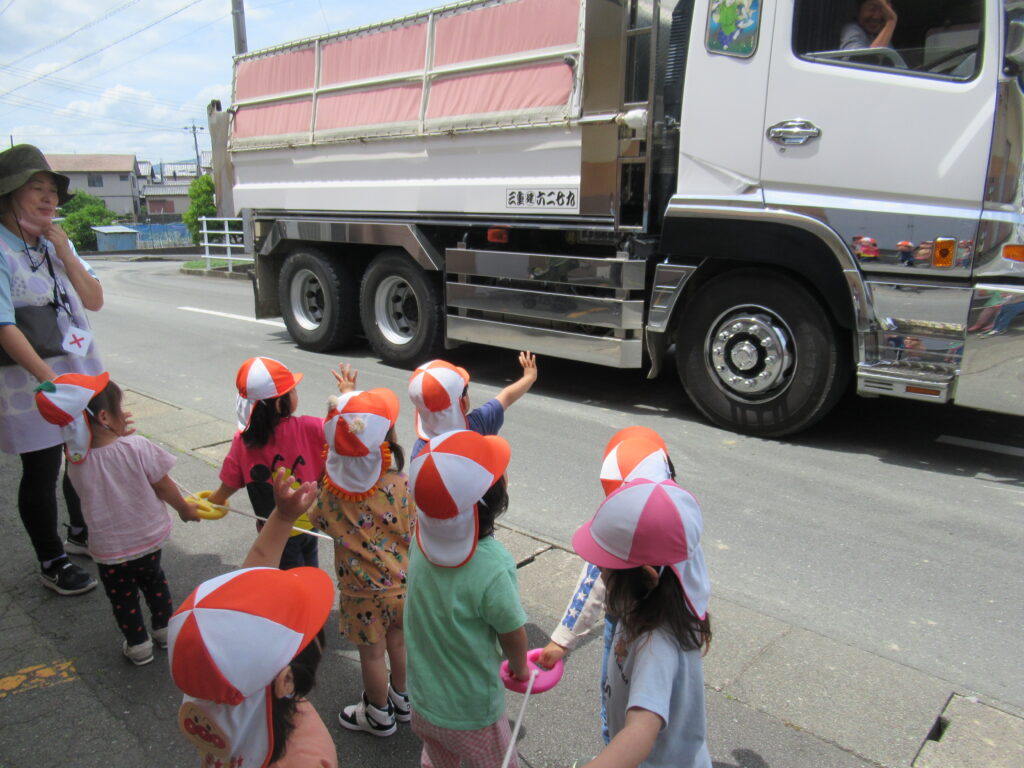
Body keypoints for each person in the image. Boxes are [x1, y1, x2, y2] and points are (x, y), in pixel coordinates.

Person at [170, 468, 338, 768]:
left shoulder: (207, 690)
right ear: (287, 680)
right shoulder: (306, 756)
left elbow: (252, 580)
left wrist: (283, 517)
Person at [34, 373, 200, 665]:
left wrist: (112, 432)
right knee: (154, 582)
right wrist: (184, 509)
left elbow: (98, 459)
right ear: (104, 417)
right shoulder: (137, 447)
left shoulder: (76, 463)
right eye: (120, 409)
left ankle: (138, 646)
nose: (124, 413)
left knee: (123, 597)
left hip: (109, 549)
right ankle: (165, 631)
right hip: (147, 538)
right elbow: (162, 484)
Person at [0, 144, 104, 596]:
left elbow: (94, 300)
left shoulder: (57, 243)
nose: (48, 198)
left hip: (79, 371)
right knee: (42, 468)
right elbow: (3, 325)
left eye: (52, 190)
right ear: (9, 195)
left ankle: (80, 531)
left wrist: (65, 251)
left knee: (83, 453)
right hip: (31, 382)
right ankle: (52, 559)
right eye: (35, 188)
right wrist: (50, 381)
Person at [539, 426, 676, 744]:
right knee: (647, 706)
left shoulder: (620, 527)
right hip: (662, 624)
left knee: (621, 704)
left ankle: (615, 747)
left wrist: (561, 640)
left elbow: (593, 583)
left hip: (632, 625)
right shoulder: (679, 517)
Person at [404, 429, 530, 768]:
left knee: (439, 759)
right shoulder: (493, 565)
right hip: (472, 711)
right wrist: (520, 668)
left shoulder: (420, 541)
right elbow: (511, 631)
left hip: (424, 701)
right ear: (494, 501)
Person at [572, 477, 712, 768]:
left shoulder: (657, 644)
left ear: (647, 577)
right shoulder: (644, 605)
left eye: (606, 568)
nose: (600, 573)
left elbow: (641, 730)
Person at [309, 366, 412, 737]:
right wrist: (350, 394)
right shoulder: (401, 485)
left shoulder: (331, 496)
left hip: (360, 594)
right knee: (399, 643)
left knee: (371, 655)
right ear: (387, 441)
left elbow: (315, 518)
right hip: (403, 587)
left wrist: (345, 398)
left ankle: (379, 714)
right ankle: (403, 699)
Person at [207, 356, 325, 569]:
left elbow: (231, 481)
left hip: (274, 530)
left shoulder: (244, 440)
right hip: (310, 520)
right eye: (293, 390)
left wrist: (215, 500)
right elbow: (341, 432)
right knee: (308, 569)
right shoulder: (309, 427)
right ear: (280, 403)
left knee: (288, 576)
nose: (296, 393)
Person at [407, 351, 537, 458]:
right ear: (462, 402)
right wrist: (529, 377)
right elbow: (506, 397)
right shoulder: (478, 424)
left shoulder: (420, 451)